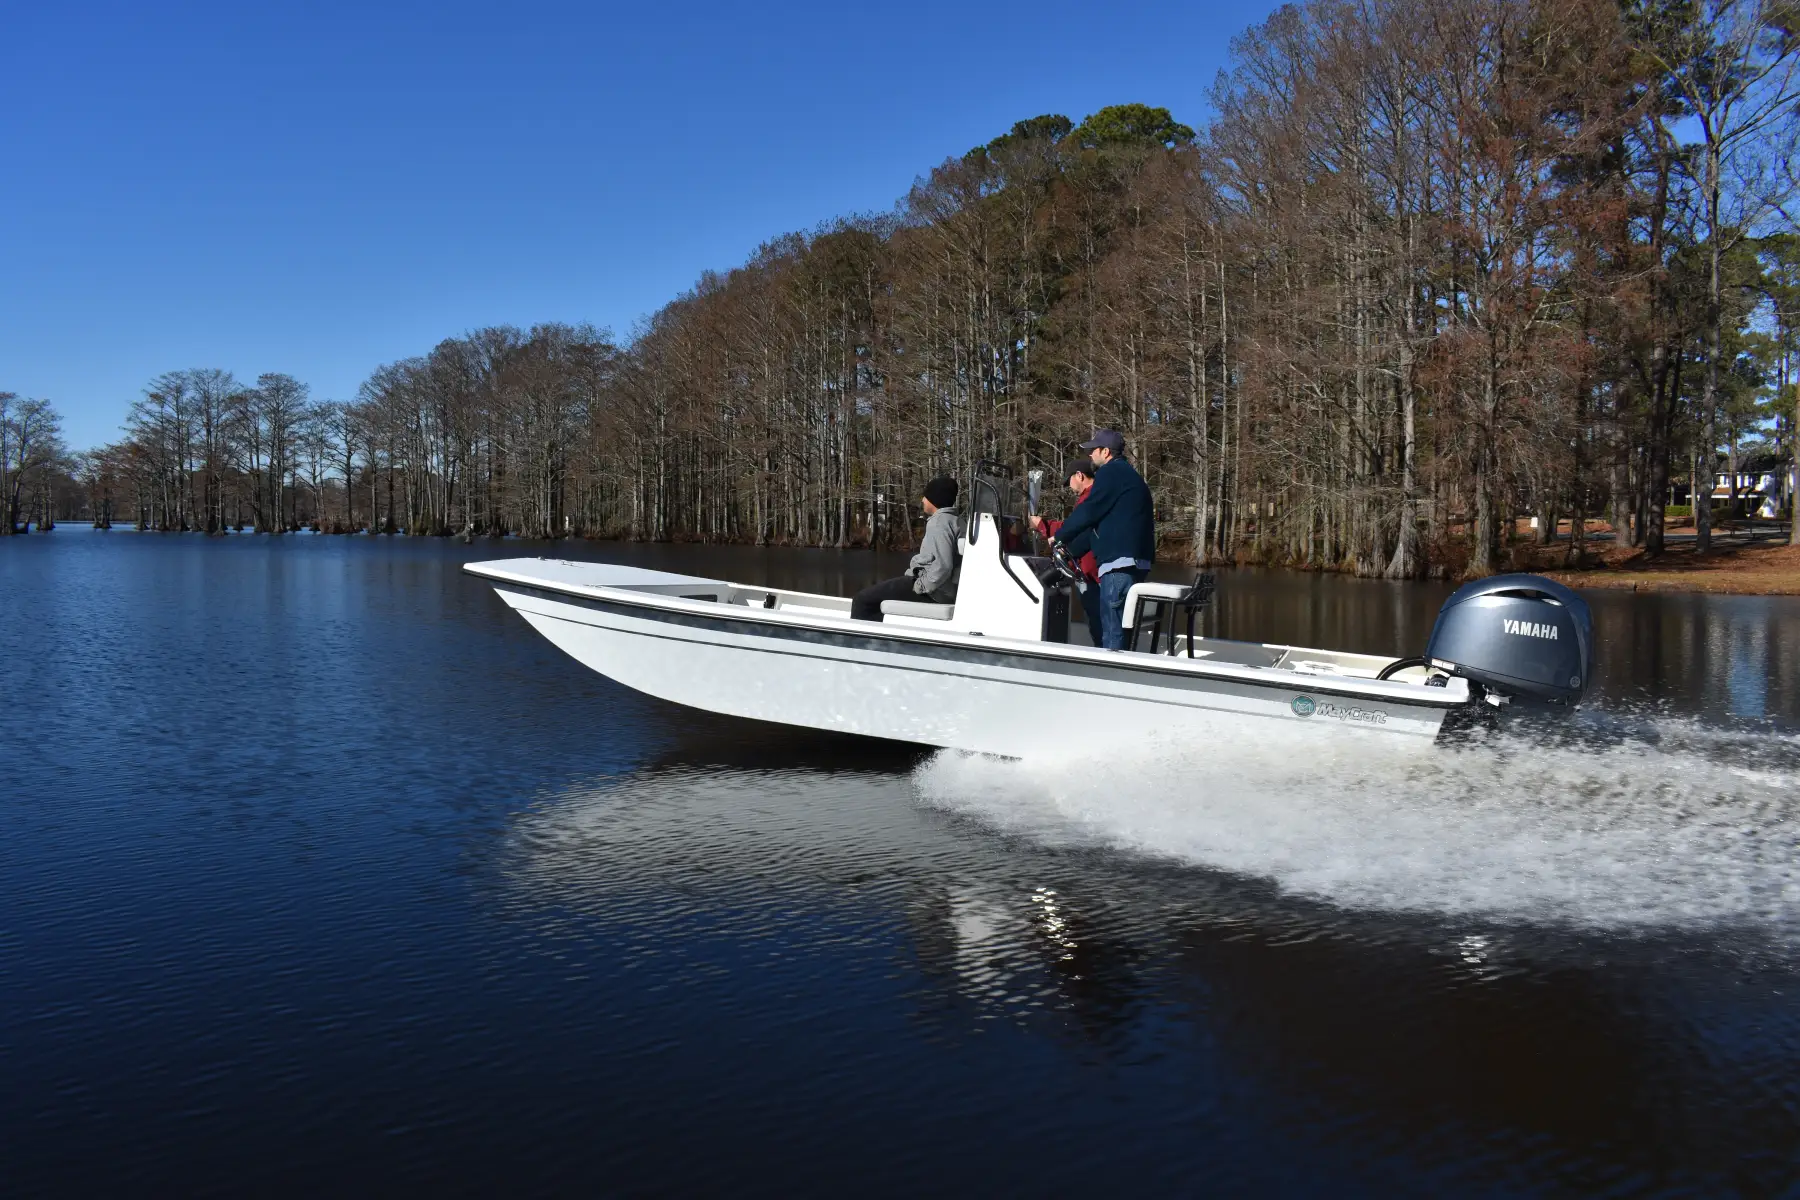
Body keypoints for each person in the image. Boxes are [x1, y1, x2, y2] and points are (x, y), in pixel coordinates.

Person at [1045, 430, 1155, 650]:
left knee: (1111, 629)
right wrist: (1070, 549)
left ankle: (1112, 677)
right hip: (1135, 561)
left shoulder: (1110, 473)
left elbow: (1089, 511)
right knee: (1122, 625)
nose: (1090, 456)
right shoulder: (1128, 475)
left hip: (1118, 564)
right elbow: (1096, 528)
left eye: (1092, 450)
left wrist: (1059, 536)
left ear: (1105, 452)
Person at [851, 476, 962, 621]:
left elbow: (943, 566)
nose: (922, 500)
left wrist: (921, 586)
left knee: (862, 600)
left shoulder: (939, 523)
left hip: (934, 592)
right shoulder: (958, 521)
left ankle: (864, 642)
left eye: (925, 496)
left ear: (935, 499)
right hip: (947, 591)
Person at [1029, 459, 1104, 646]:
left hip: (1091, 574)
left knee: (1097, 621)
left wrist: (1042, 526)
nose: (1069, 487)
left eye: (1068, 481)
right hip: (1093, 571)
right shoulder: (1097, 496)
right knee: (1098, 619)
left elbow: (1074, 528)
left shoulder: (1090, 498)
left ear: (1079, 475)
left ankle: (1105, 660)